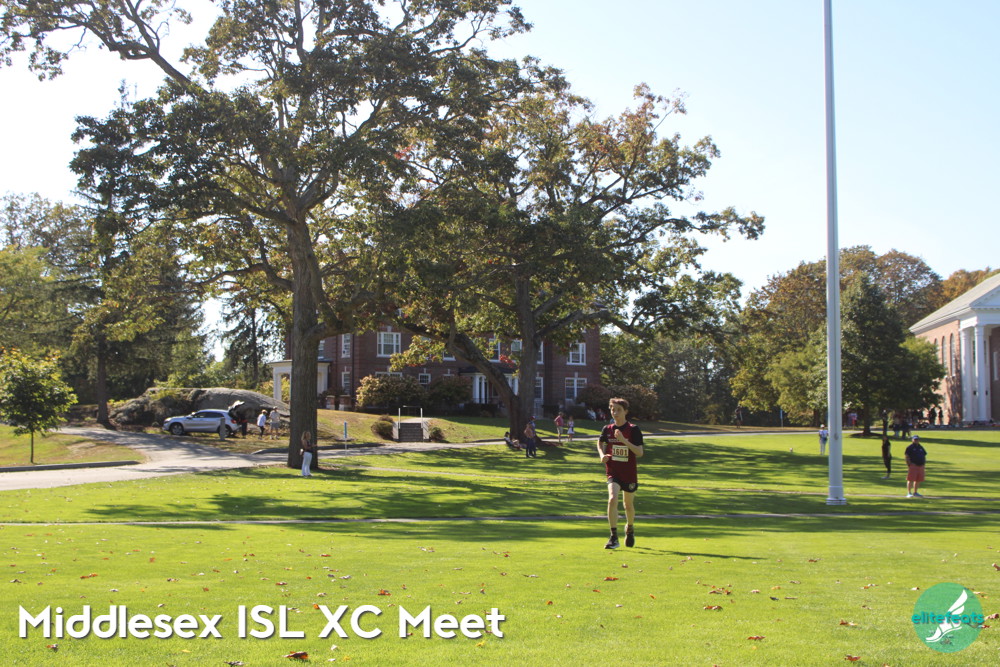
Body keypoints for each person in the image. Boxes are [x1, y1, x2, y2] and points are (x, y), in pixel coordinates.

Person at [597, 397, 644, 549]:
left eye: (618, 410)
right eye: (613, 409)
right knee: (612, 498)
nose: (615, 413)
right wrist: (602, 454)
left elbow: (639, 452)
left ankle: (629, 528)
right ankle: (613, 537)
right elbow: (600, 442)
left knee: (628, 505)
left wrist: (624, 440)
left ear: (626, 412)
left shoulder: (633, 429)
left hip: (629, 473)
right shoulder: (607, 429)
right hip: (613, 471)